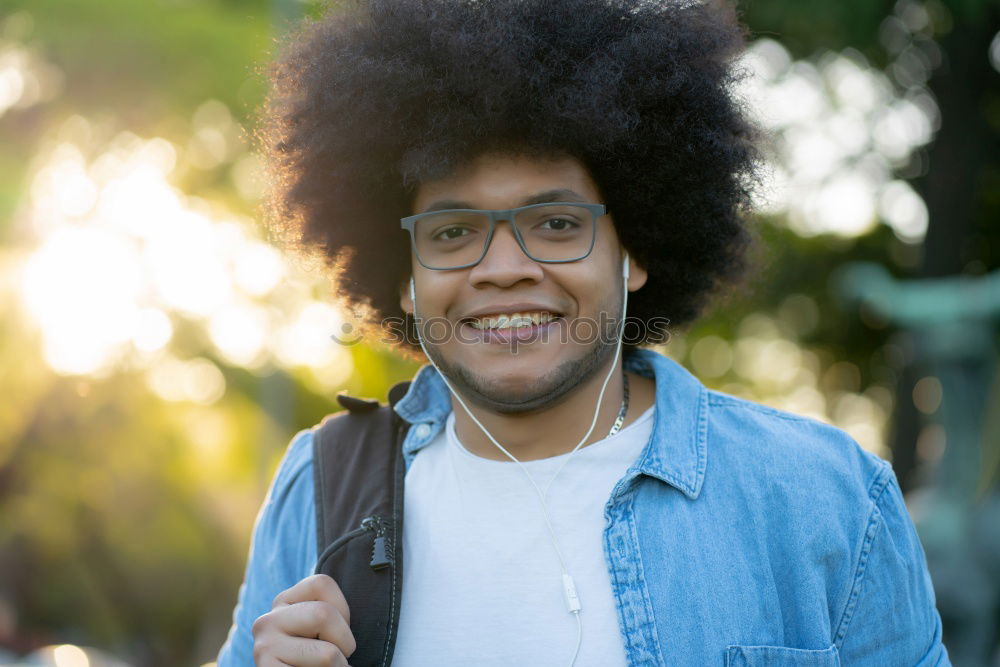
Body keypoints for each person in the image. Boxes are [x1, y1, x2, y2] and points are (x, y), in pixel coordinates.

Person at [218, 0, 951, 664]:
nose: (503, 268)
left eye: (557, 223)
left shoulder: (823, 495)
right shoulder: (320, 485)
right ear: (405, 275)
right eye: (452, 231)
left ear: (633, 251)